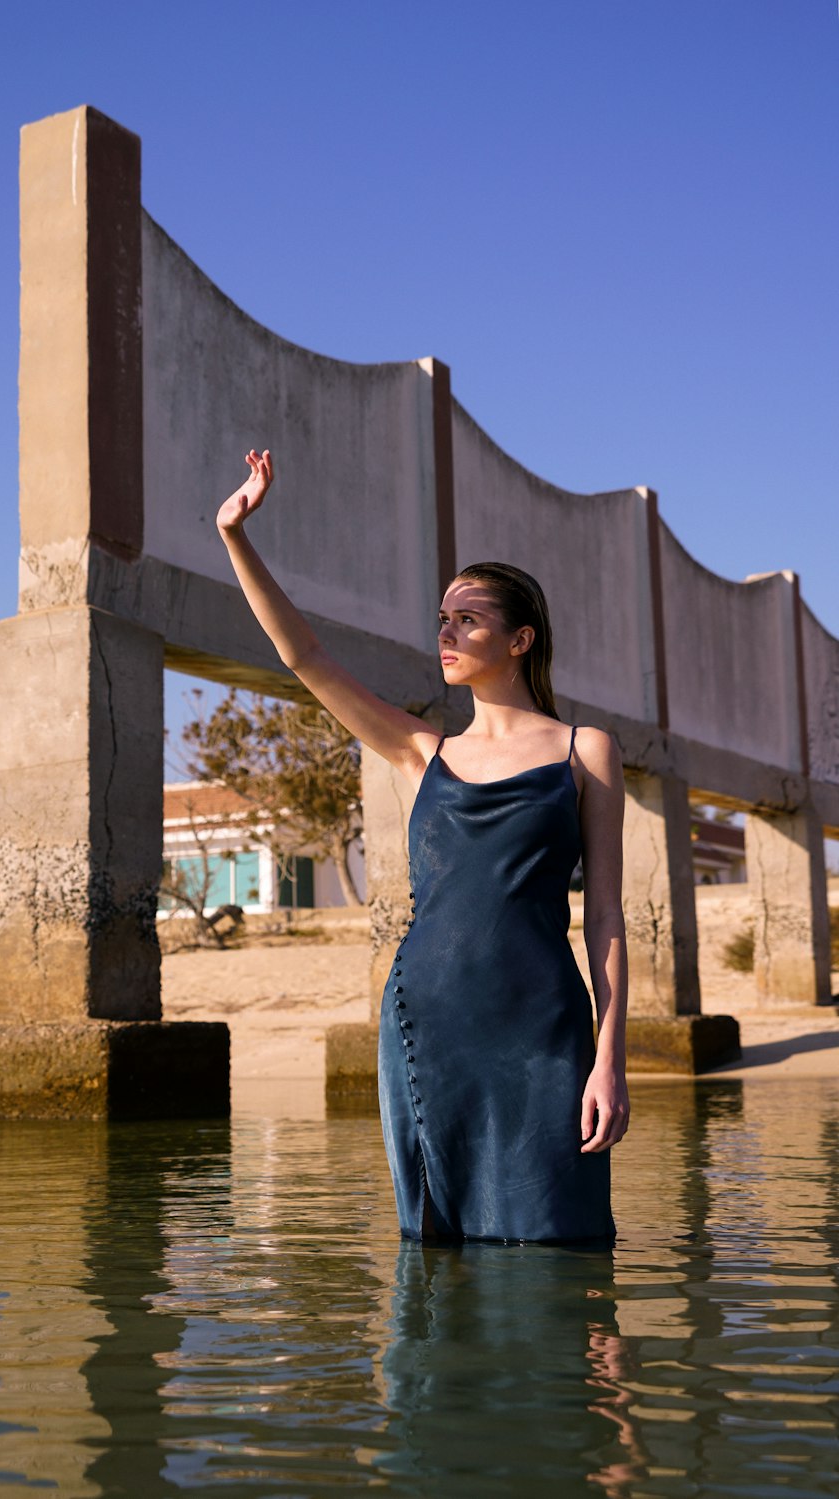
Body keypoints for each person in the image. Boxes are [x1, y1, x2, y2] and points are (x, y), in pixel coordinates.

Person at [217, 448, 630, 1244]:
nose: (445, 632)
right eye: (441, 617)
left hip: (544, 1027)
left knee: (561, 1237)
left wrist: (610, 1057)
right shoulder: (422, 752)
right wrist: (235, 535)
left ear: (519, 639)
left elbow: (607, 915)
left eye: (466, 619)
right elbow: (306, 658)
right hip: (428, 1022)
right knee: (440, 1255)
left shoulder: (586, 751)